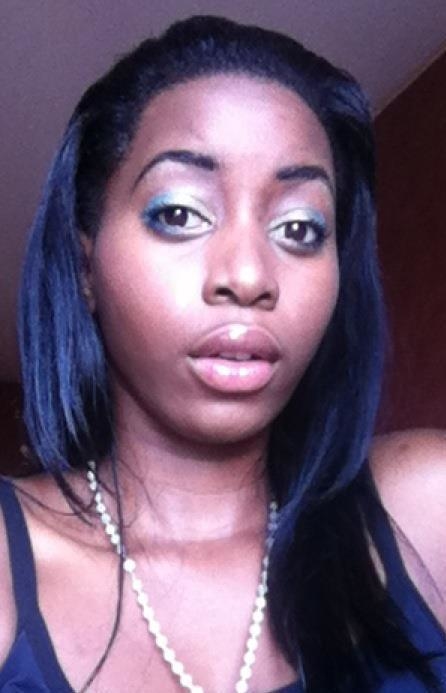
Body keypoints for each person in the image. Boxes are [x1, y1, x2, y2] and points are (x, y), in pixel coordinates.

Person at [0, 14, 445, 693]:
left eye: (299, 227)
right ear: (86, 267)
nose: (248, 274)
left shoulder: (425, 508)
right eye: (179, 214)